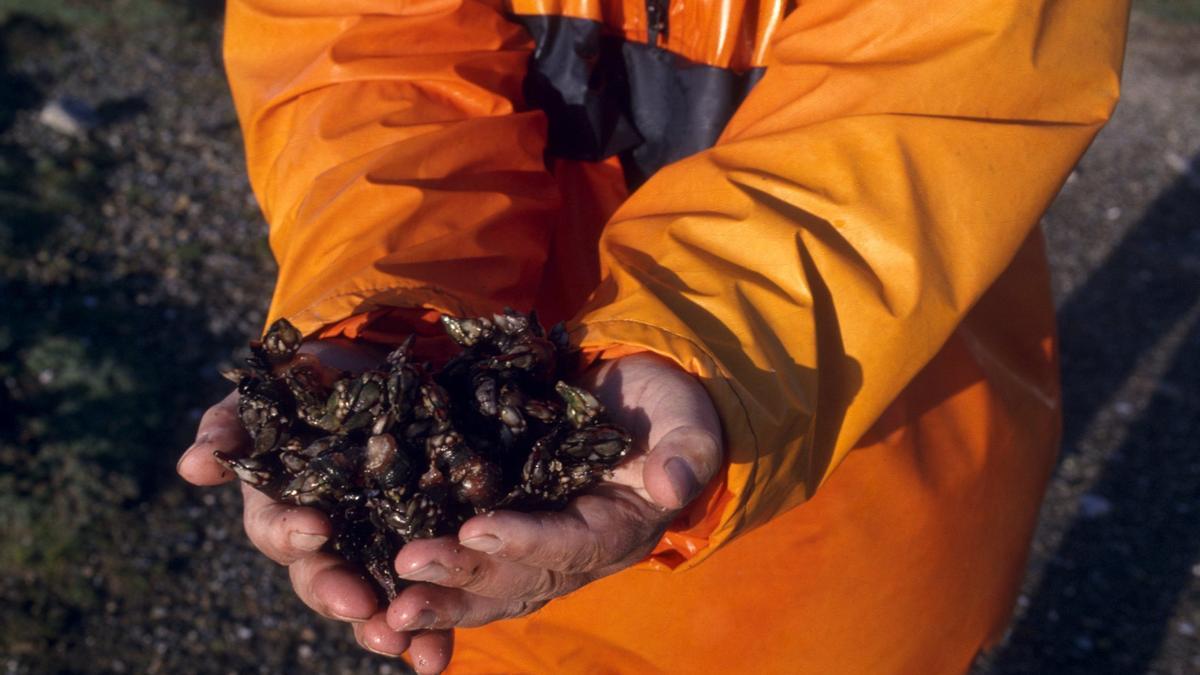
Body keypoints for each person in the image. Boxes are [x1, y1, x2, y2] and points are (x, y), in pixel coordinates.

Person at [176, 0, 1131, 672]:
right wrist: (393, 308)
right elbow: (358, 47)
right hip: (497, 575)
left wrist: (709, 348)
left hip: (860, 473)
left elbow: (945, 77)